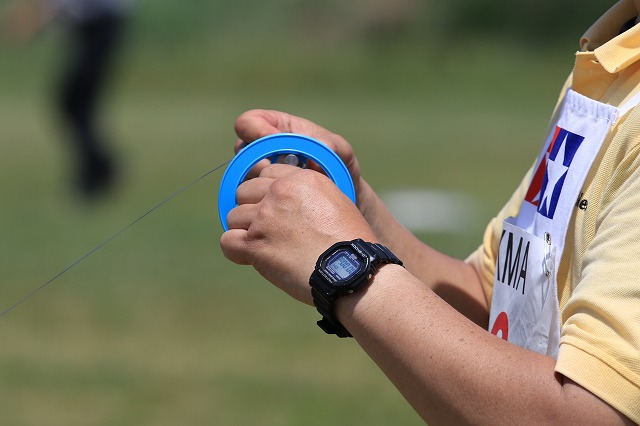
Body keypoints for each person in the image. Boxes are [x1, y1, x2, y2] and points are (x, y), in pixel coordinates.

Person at [220, 0, 640, 424]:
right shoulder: (613, 57)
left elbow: (589, 414)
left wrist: (345, 264)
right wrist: (357, 208)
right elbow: (496, 303)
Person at [1, 0, 131, 197]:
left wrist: (32, 23)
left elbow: (62, 7)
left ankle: (99, 171)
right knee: (73, 103)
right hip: (91, 30)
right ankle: (99, 169)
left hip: (103, 26)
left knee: (74, 102)